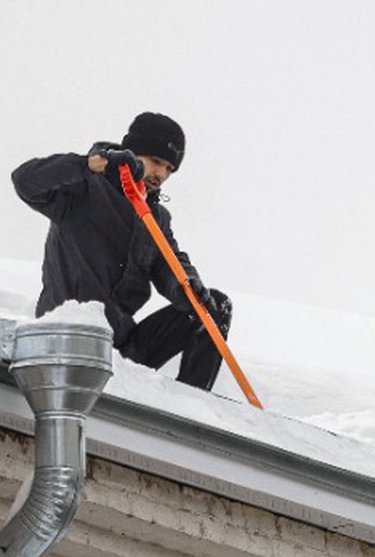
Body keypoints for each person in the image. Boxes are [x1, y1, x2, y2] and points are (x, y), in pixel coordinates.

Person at [12, 112, 232, 392]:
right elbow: (25, 180)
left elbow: (171, 264)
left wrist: (188, 288)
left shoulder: (155, 217)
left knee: (214, 307)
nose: (161, 174)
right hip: (73, 338)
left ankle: (193, 405)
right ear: (132, 152)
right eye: (156, 162)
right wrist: (90, 165)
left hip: (124, 348)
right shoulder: (83, 189)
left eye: (169, 169)